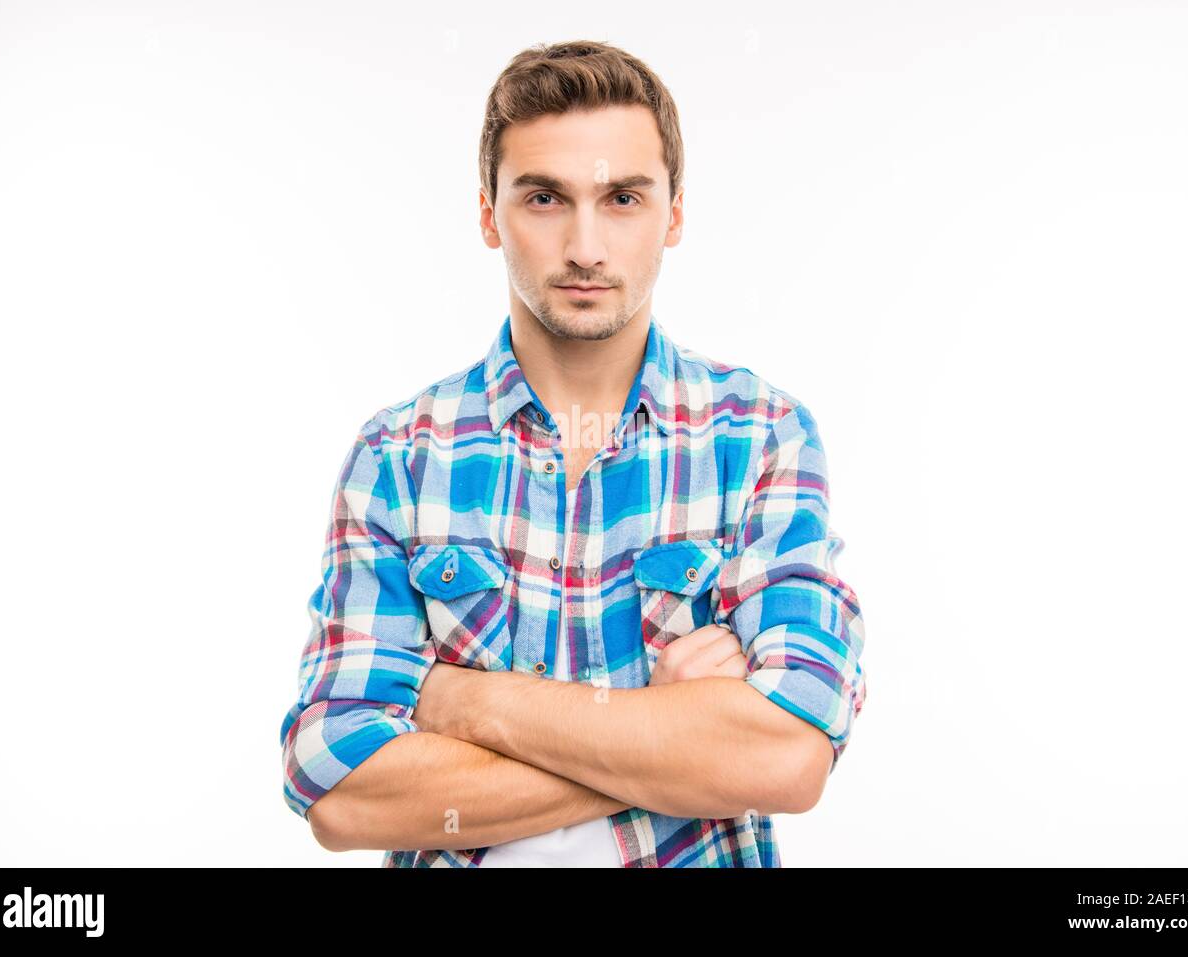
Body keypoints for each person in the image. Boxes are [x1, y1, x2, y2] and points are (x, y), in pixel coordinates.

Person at [279, 39, 867, 868]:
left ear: (675, 212)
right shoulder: (400, 456)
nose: (586, 247)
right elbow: (340, 792)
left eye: (623, 197)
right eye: (545, 198)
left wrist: (469, 704)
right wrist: (673, 736)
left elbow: (787, 755)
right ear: (489, 214)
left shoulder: (760, 436)